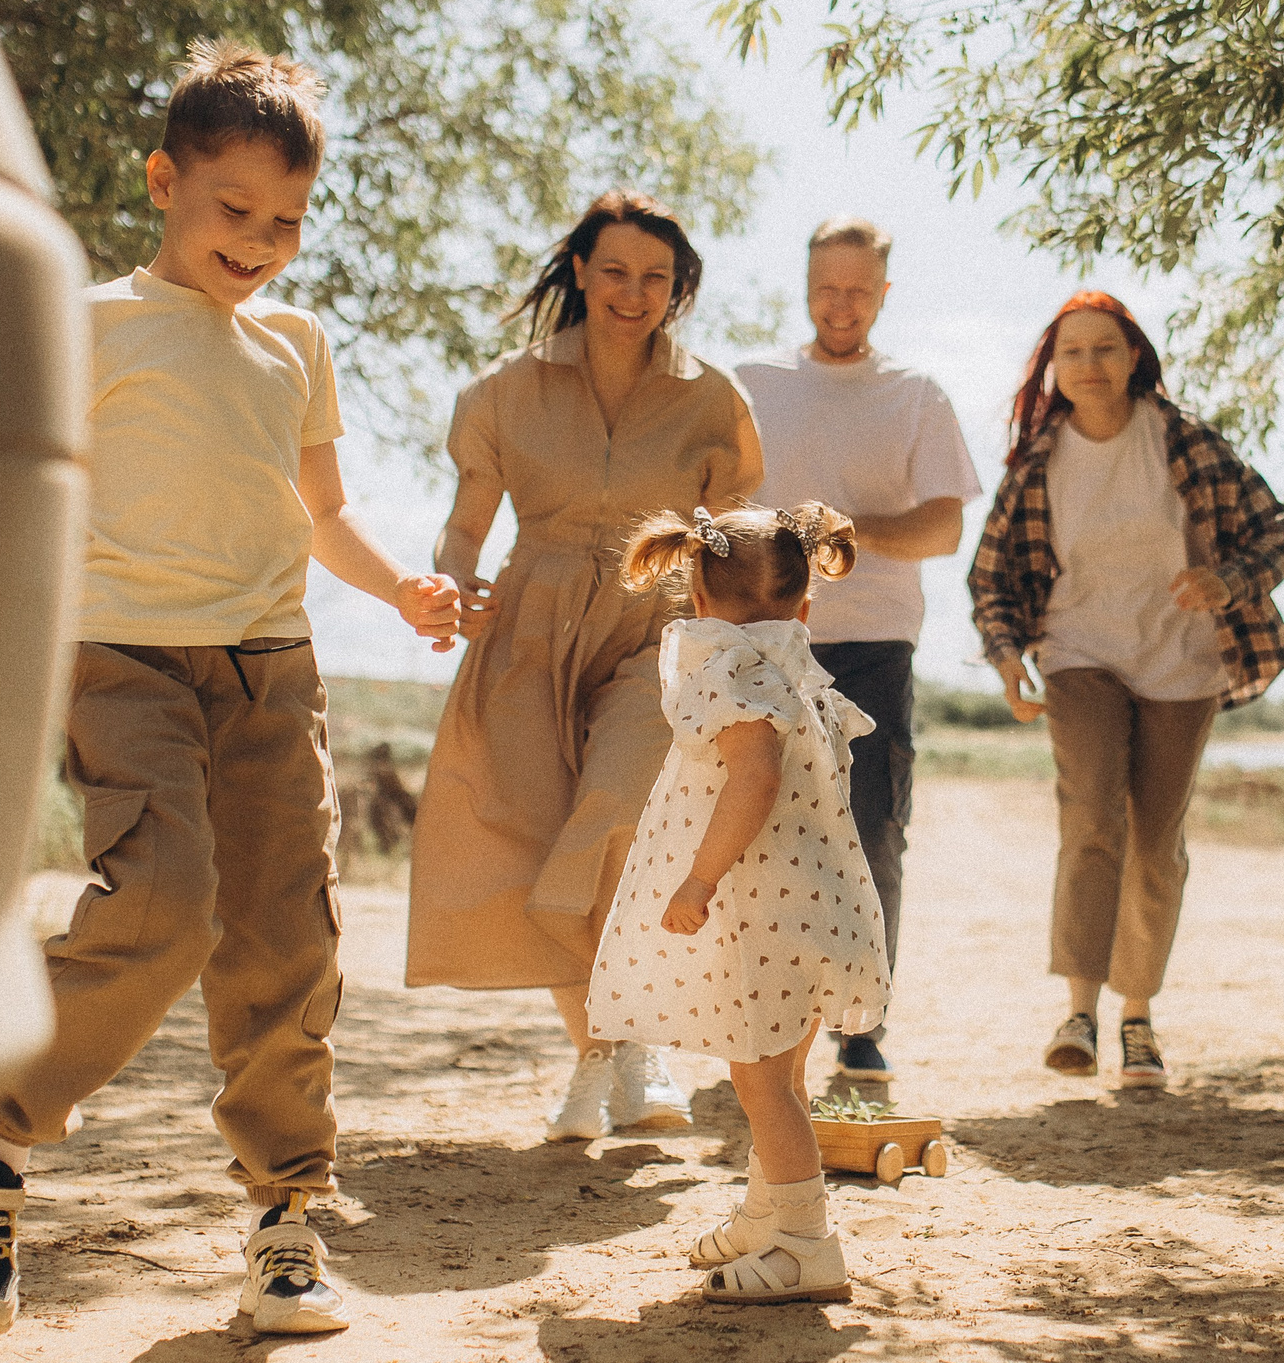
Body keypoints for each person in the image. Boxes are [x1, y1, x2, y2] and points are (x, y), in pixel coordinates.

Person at [0, 41, 464, 1337]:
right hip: (124, 656)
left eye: (287, 222)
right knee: (164, 904)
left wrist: (399, 594)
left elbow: (319, 510)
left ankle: (285, 1216)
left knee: (288, 939)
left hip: (273, 669)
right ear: (165, 182)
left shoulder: (296, 344)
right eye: (235, 210)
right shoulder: (89, 323)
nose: (261, 241)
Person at [407, 189, 764, 1142]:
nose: (632, 292)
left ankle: (626, 1047)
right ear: (579, 270)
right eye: (614, 271)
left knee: (613, 818)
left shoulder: (714, 398)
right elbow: (465, 524)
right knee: (533, 842)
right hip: (527, 627)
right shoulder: (504, 391)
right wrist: (451, 583)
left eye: (656, 278)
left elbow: (729, 538)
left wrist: (752, 649)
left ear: (677, 290)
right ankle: (604, 1055)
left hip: (658, 623)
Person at [967, 291, 1284, 1088]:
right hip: (1080, 651)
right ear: (1054, 366)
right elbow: (992, 575)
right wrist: (1008, 653)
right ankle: (1079, 1009)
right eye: (1071, 351)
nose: (1089, 365)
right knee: (1091, 815)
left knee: (1155, 843)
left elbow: (1274, 536)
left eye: (1104, 348)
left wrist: (1226, 582)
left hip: (1181, 664)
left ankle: (1138, 1018)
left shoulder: (1182, 444)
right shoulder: (1040, 462)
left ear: (1134, 357)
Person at [587, 503, 889, 1304]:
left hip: (758, 904)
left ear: (697, 594)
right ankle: (767, 1212)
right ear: (804, 607)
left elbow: (752, 773)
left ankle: (805, 1244)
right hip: (813, 900)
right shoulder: (797, 665)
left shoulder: (722, 664)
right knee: (779, 1074)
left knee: (760, 1081)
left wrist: (698, 879)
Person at [736, 218, 980, 1083]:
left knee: (873, 832)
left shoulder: (917, 394)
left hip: (876, 642)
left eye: (859, 289)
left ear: (884, 292)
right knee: (758, 831)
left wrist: (847, 531)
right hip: (765, 639)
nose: (841, 305)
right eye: (826, 288)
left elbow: (944, 526)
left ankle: (863, 1023)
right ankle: (766, 1014)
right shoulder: (751, 385)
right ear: (805, 286)